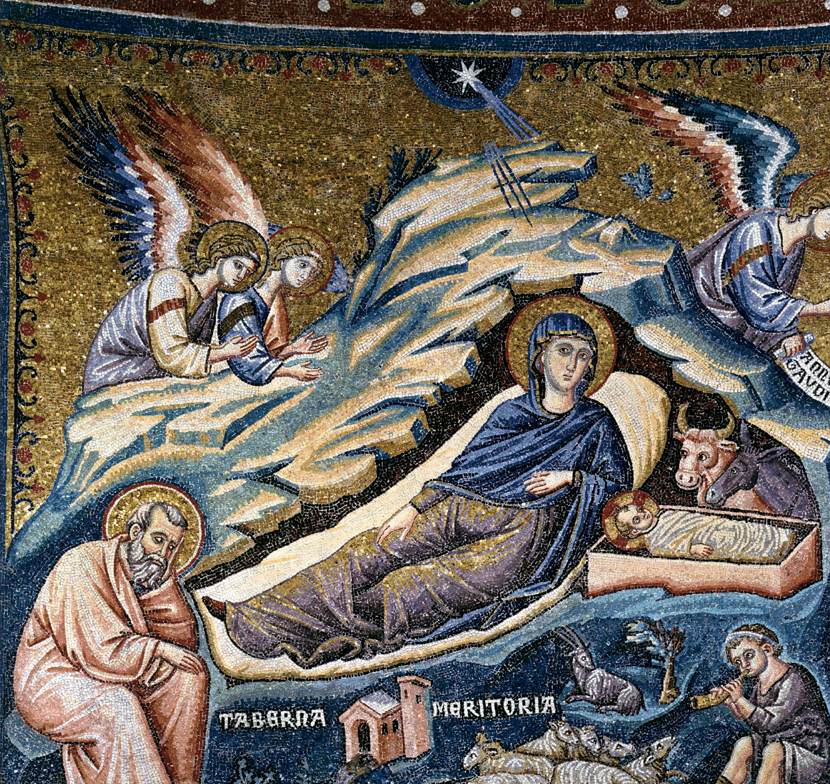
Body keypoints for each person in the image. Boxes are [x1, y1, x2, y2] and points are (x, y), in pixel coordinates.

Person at [206, 300, 632, 667]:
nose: (572, 364)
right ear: (539, 357)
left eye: (583, 355)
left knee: (408, 586)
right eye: (563, 351)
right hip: (463, 506)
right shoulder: (510, 413)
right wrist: (413, 507)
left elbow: (618, 489)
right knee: (365, 552)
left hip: (519, 534)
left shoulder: (595, 423)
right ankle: (255, 618)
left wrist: (571, 477)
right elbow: (464, 471)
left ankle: (319, 638)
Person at [13, 495, 221, 784]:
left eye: (172, 547)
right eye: (158, 539)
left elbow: (182, 639)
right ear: (135, 532)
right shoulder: (81, 564)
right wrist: (157, 648)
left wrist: (157, 590)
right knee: (118, 704)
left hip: (114, 669)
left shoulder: (148, 572)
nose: (163, 553)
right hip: (54, 678)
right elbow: (98, 649)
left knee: (188, 676)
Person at [683, 625, 830, 784]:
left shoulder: (794, 678)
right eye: (738, 662)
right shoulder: (760, 685)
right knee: (745, 744)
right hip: (782, 745)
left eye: (748, 655)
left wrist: (740, 700)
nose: (743, 665)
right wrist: (731, 702)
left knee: (774, 751)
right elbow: (755, 723)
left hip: (815, 757)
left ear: (767, 649)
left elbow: (771, 722)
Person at [687, 173, 830, 356]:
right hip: (704, 309)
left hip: (737, 321)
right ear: (814, 208)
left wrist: (786, 335)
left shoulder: (796, 248)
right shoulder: (759, 228)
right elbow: (753, 296)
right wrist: (814, 309)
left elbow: (774, 296)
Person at [82, 220, 266, 394]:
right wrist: (223, 352)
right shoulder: (169, 283)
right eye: (237, 265)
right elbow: (171, 354)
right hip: (117, 371)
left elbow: (192, 349)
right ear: (219, 256)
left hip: (155, 370)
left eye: (247, 272)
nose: (241, 275)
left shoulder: (210, 299)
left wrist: (229, 353)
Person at [215, 226, 332, 386]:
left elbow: (265, 357)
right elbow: (247, 362)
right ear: (283, 258)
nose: (306, 276)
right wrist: (291, 371)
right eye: (303, 265)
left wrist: (293, 349)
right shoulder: (239, 300)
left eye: (313, 273)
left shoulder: (276, 305)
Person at [604, 490, 798, 562]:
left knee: (743, 529)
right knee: (737, 543)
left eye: (639, 510)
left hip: (712, 525)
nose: (642, 514)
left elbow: (691, 518)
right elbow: (668, 549)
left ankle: (781, 536)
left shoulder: (666, 513)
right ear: (634, 532)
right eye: (637, 520)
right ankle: (774, 550)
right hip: (705, 541)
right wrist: (690, 549)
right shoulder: (654, 541)